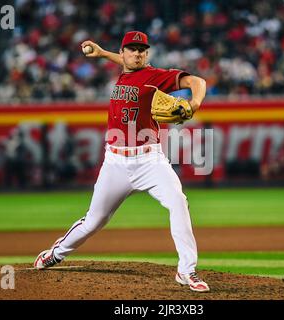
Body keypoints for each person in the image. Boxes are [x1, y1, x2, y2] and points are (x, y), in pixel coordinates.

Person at [34, 31, 210, 292]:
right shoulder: (127, 70)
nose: (137, 53)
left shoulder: (154, 76)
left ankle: (187, 270)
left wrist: (194, 102)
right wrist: (104, 53)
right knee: (94, 220)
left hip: (150, 160)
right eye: (132, 49)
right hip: (115, 162)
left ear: (147, 54)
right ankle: (57, 252)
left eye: (142, 49)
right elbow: (127, 64)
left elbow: (197, 80)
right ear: (124, 51)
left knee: (178, 202)